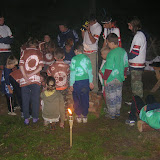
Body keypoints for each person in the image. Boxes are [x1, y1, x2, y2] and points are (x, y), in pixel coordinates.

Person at [102, 33, 128, 119]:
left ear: (111, 43)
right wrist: (124, 74)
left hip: (111, 78)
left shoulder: (111, 53)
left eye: (108, 43)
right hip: (120, 78)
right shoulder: (123, 51)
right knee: (118, 95)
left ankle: (111, 113)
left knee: (111, 96)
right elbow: (126, 64)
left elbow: (108, 68)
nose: (107, 44)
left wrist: (105, 79)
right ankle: (117, 111)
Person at [19, 38, 44, 125]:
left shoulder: (24, 52)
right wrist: (30, 75)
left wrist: (26, 76)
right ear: (36, 45)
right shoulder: (39, 52)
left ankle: (26, 118)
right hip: (35, 79)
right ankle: (35, 117)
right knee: (35, 99)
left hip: (24, 80)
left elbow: (21, 65)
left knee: (25, 99)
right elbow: (40, 67)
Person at [70, 44, 94, 123]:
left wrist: (71, 84)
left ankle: (79, 115)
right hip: (85, 82)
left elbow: (72, 73)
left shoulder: (74, 59)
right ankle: (85, 115)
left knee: (77, 99)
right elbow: (90, 71)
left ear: (76, 51)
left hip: (77, 82)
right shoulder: (87, 58)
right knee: (85, 98)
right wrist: (91, 82)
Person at [81, 14, 102, 93]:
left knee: (93, 71)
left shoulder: (98, 27)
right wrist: (83, 30)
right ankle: (87, 88)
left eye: (90, 22)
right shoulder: (88, 25)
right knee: (85, 71)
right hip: (85, 51)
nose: (89, 23)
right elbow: (84, 38)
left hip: (92, 52)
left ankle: (95, 90)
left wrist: (89, 30)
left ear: (94, 20)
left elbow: (93, 41)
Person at [47, 48, 70, 117]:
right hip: (64, 87)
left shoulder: (51, 66)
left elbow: (49, 75)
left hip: (55, 88)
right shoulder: (67, 66)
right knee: (64, 101)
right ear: (64, 57)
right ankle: (64, 115)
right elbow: (68, 74)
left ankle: (56, 115)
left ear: (54, 57)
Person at [128, 17, 147, 98]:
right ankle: (135, 102)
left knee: (137, 86)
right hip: (136, 64)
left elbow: (135, 52)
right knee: (135, 85)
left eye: (130, 26)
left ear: (134, 25)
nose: (129, 28)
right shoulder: (139, 35)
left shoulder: (138, 36)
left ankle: (138, 106)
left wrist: (126, 56)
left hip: (137, 65)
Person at [0, 14, 14, 94]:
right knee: (1, 69)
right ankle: (2, 88)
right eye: (0, 20)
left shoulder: (7, 27)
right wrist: (6, 39)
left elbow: (11, 40)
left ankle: (8, 85)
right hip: (0, 52)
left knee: (8, 68)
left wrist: (3, 39)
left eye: (3, 19)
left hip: (8, 51)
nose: (2, 21)